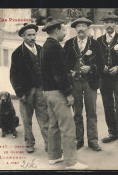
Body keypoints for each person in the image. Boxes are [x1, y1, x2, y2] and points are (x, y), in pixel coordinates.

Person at [39, 17, 88, 170]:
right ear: (56, 31)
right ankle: (71, 162)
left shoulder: (46, 45)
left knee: (53, 125)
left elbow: (52, 71)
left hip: (48, 92)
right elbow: (58, 74)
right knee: (68, 127)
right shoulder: (55, 47)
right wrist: (68, 93)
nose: (65, 32)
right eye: (63, 29)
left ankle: (54, 156)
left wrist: (68, 74)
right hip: (58, 93)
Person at [64, 17, 104, 151]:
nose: (81, 29)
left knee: (92, 113)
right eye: (78, 26)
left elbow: (101, 63)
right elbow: (65, 64)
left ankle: (93, 141)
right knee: (77, 113)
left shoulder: (95, 44)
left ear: (88, 28)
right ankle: (78, 139)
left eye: (84, 26)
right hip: (75, 83)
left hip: (90, 82)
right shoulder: (69, 44)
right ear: (75, 29)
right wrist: (70, 72)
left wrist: (91, 68)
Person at [10, 23, 49, 153]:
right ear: (22, 36)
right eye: (29, 35)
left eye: (34, 34)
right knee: (27, 119)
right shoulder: (17, 53)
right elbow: (14, 75)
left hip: (41, 90)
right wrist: (20, 92)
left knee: (44, 118)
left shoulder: (41, 49)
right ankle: (29, 143)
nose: (32, 37)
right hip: (26, 91)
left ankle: (49, 145)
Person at [97, 11, 118, 149]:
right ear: (104, 24)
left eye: (112, 22)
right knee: (107, 105)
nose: (109, 25)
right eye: (107, 22)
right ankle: (112, 132)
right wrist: (102, 66)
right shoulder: (98, 40)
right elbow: (96, 58)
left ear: (116, 24)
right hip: (104, 78)